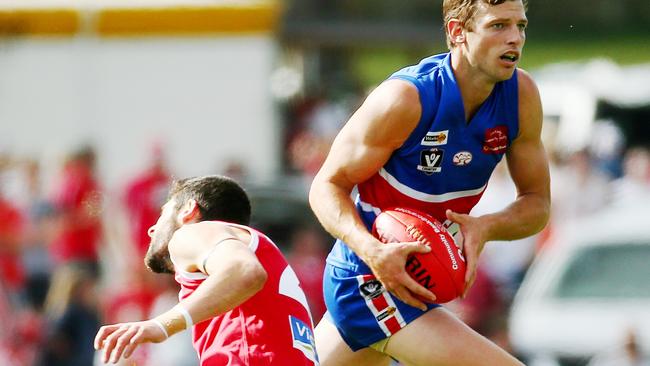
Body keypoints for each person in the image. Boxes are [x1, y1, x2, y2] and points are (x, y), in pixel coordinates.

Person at [308, 0, 550, 365]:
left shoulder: (521, 97)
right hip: (367, 276)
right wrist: (372, 250)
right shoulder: (405, 99)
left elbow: (538, 204)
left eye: (521, 26)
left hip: (419, 281)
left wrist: (486, 226)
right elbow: (325, 186)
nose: (515, 38)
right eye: (498, 26)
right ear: (457, 33)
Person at [94, 175, 318, 365]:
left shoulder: (191, 233)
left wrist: (161, 326)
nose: (152, 228)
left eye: (163, 214)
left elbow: (245, 271)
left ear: (189, 211)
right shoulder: (264, 252)